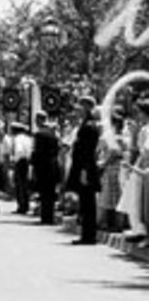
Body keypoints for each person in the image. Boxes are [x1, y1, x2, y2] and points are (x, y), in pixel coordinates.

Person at [67, 99, 103, 245]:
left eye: (81, 107)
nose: (78, 110)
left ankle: (89, 236)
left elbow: (87, 151)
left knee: (88, 203)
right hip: (84, 166)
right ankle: (87, 234)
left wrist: (84, 170)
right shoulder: (87, 124)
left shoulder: (89, 126)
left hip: (86, 167)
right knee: (85, 202)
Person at [32, 114, 62, 227]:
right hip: (53, 164)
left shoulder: (39, 134)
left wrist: (34, 165)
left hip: (43, 166)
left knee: (44, 192)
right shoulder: (54, 133)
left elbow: (37, 152)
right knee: (51, 192)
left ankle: (45, 216)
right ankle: (50, 216)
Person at [8, 122, 34, 215]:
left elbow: (19, 151)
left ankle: (21, 206)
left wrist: (14, 161)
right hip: (27, 161)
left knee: (19, 184)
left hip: (20, 162)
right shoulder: (28, 138)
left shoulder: (17, 139)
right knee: (25, 184)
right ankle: (26, 205)